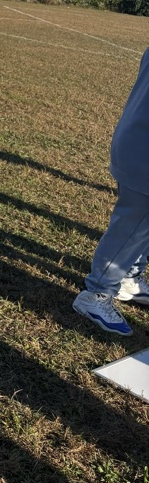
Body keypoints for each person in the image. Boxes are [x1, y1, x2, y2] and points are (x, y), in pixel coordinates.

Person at [73, 47, 149, 337]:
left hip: (134, 141)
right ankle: (96, 295)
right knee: (133, 226)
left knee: (141, 227)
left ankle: (129, 278)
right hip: (143, 152)